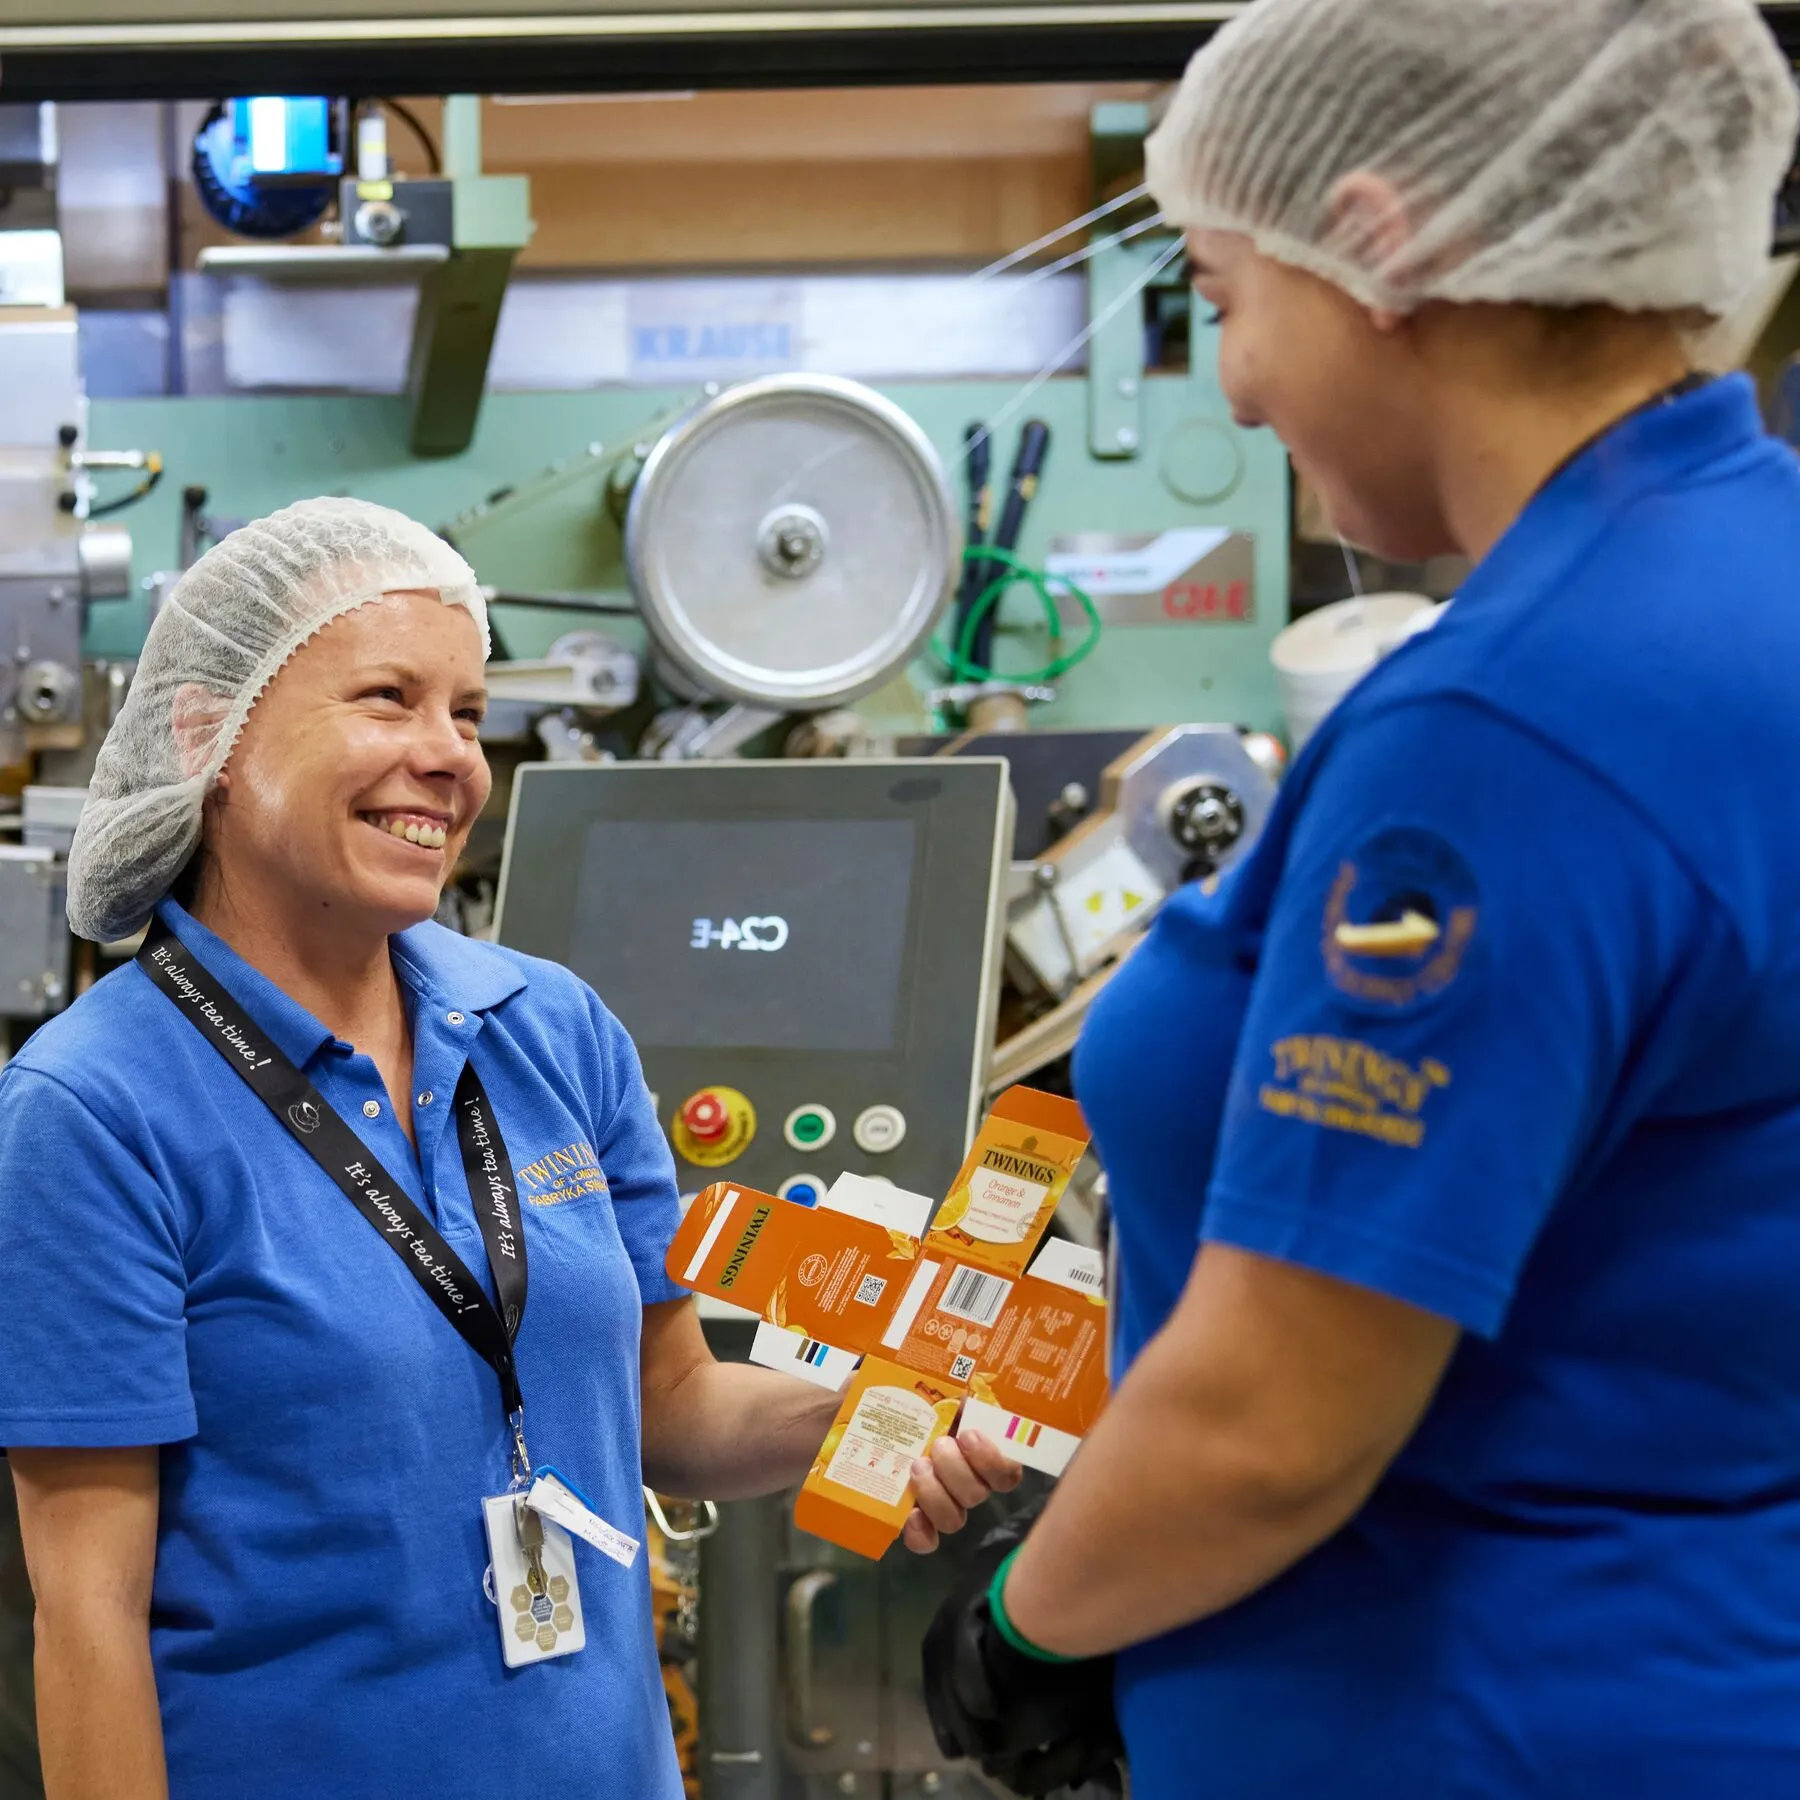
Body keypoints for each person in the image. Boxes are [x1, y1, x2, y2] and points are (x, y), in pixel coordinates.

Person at [923, 2, 1800, 1795]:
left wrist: (1025, 1625)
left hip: (1477, 1717)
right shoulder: (1746, 577)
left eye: (1229, 300)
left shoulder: (1517, 716)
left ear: (1384, 248)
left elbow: (1272, 1422)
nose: (1233, 386)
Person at [0, 497, 1018, 1800]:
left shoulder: (549, 1028)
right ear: (209, 731)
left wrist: (861, 1418)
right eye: (387, 697)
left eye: (470, 714)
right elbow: (86, 1615)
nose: (450, 759)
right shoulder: (94, 1112)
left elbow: (670, 1405)